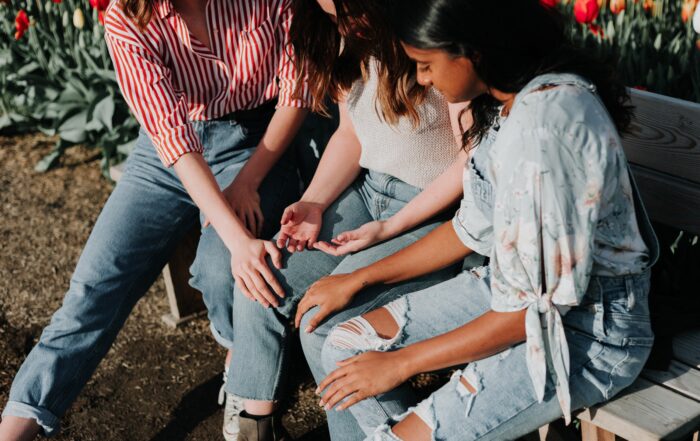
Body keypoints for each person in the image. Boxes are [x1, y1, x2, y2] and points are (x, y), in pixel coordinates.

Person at [310, 1, 660, 440]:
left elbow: (526, 316)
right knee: (343, 345)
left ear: (472, 50)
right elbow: (467, 230)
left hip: (587, 336)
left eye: (425, 64)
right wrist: (358, 279)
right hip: (508, 291)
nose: (422, 79)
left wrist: (401, 363)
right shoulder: (503, 101)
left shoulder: (545, 131)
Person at [0, 0, 309, 439]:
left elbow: (300, 86)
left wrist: (247, 182)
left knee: (225, 269)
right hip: (167, 155)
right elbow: (172, 139)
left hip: (256, 143)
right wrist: (235, 234)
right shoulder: (127, 16)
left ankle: (240, 357)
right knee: (94, 286)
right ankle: (20, 423)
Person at [222, 0, 474, 439]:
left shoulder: (427, 35)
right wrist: (315, 202)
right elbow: (351, 133)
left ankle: (394, 431)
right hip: (367, 193)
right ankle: (253, 428)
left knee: (329, 324)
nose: (342, 24)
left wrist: (391, 228)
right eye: (330, 15)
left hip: (433, 212)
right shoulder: (338, 31)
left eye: (345, 10)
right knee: (261, 283)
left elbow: (468, 165)